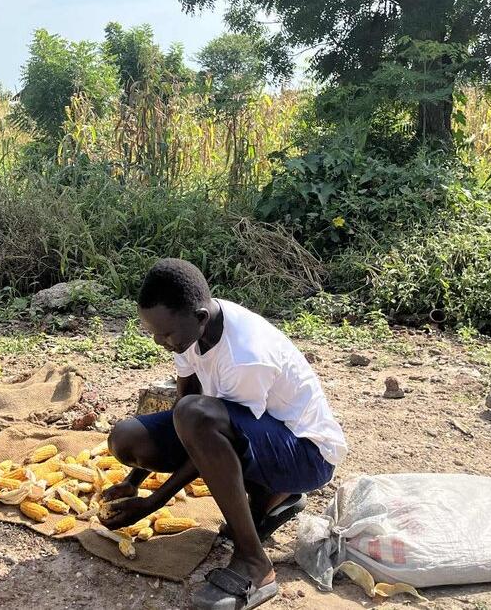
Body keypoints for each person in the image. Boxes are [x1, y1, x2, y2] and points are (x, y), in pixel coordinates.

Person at [100, 258, 347, 609]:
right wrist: (134, 481)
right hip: (256, 435)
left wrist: (154, 503)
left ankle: (255, 562)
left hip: (307, 455)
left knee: (197, 416)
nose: (159, 341)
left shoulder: (245, 356)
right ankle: (272, 501)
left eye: (165, 334)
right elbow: (185, 419)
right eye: (153, 332)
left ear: (200, 317)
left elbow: (207, 433)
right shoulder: (190, 333)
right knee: (127, 437)